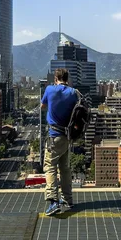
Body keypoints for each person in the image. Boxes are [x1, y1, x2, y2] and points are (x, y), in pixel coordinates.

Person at [40, 68, 78, 216]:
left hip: (54, 136)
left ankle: (53, 201)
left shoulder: (50, 90)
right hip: (67, 137)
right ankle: (68, 200)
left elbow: (43, 106)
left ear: (56, 78)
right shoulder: (73, 93)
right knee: (65, 169)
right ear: (67, 79)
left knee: (50, 167)